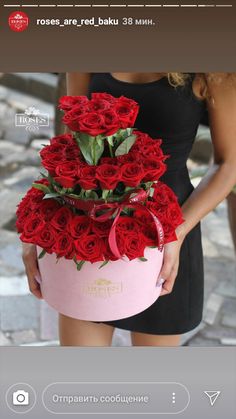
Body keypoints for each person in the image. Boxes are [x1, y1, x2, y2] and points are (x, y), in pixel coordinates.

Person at [22, 72, 236, 347]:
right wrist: (36, 227)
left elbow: (227, 164)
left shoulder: (215, 67)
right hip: (86, 232)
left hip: (171, 232)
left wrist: (174, 235)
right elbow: (71, 147)